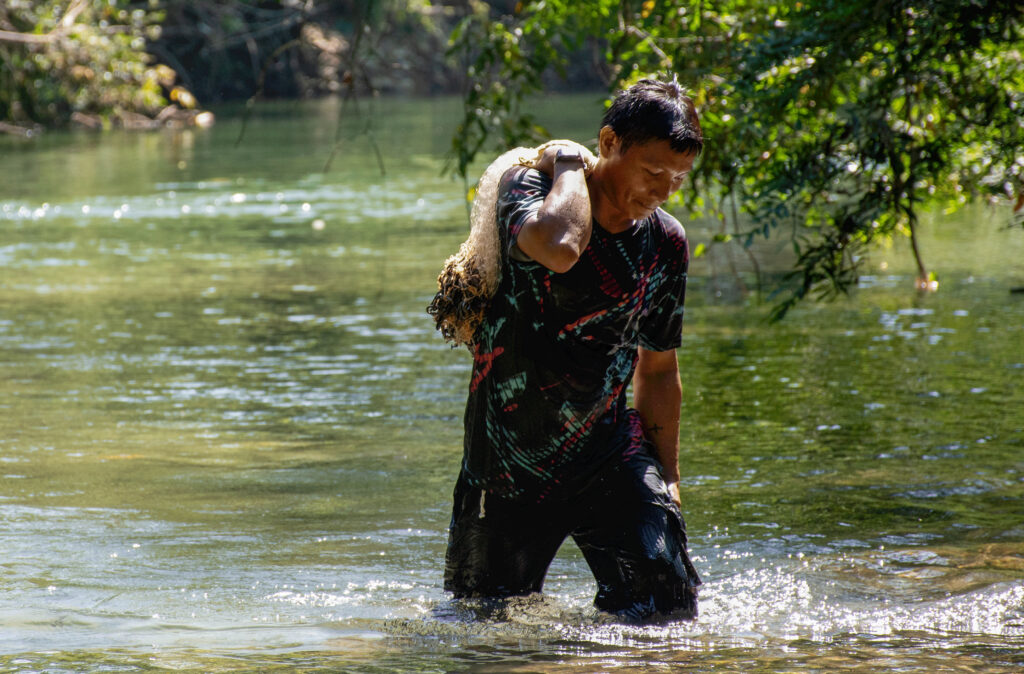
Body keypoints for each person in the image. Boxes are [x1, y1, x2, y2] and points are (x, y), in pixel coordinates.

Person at [442, 78, 703, 621]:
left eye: (677, 178)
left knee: (667, 608)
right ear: (609, 144)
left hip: (608, 454)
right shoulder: (528, 188)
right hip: (510, 462)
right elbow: (559, 247)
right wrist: (564, 161)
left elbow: (657, 371)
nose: (662, 191)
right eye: (652, 172)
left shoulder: (665, 242)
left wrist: (670, 477)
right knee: (484, 627)